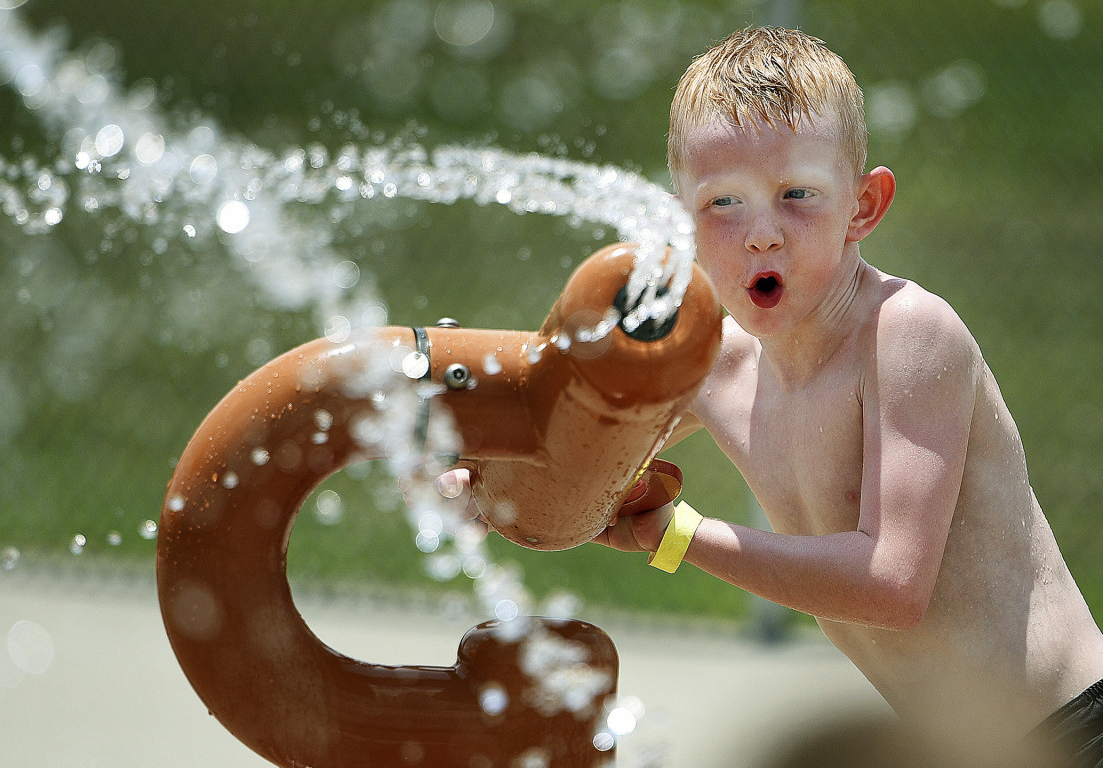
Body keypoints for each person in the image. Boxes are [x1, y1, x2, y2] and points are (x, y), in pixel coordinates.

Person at [436, 26, 1103, 765]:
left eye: (797, 196)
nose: (762, 235)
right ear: (677, 221)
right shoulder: (710, 364)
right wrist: (479, 470)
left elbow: (892, 584)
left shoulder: (906, 335)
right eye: (724, 202)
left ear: (864, 204)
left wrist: (676, 536)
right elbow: (565, 463)